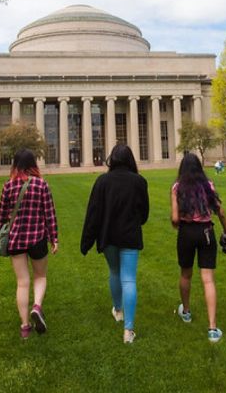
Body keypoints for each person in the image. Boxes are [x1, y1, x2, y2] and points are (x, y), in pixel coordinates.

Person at [81, 143, 149, 344]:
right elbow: (144, 214)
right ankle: (128, 331)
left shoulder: (102, 181)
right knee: (129, 279)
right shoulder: (139, 182)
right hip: (130, 236)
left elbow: (93, 214)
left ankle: (118, 310)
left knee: (115, 272)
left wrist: (87, 241)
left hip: (108, 236)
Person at [0, 149, 59, 339]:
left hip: (16, 239)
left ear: (15, 164)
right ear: (33, 164)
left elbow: (2, 216)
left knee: (22, 283)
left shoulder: (8, 185)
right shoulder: (41, 184)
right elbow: (49, 213)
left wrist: (1, 233)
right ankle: (37, 306)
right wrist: (54, 238)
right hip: (37, 238)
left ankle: (25, 327)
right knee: (40, 277)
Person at [170, 153, 226, 343]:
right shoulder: (208, 185)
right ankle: (212, 328)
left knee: (185, 274)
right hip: (206, 232)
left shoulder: (177, 188)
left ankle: (186, 311)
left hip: (186, 232)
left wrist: (178, 223)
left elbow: (174, 218)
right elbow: (220, 212)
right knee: (208, 280)